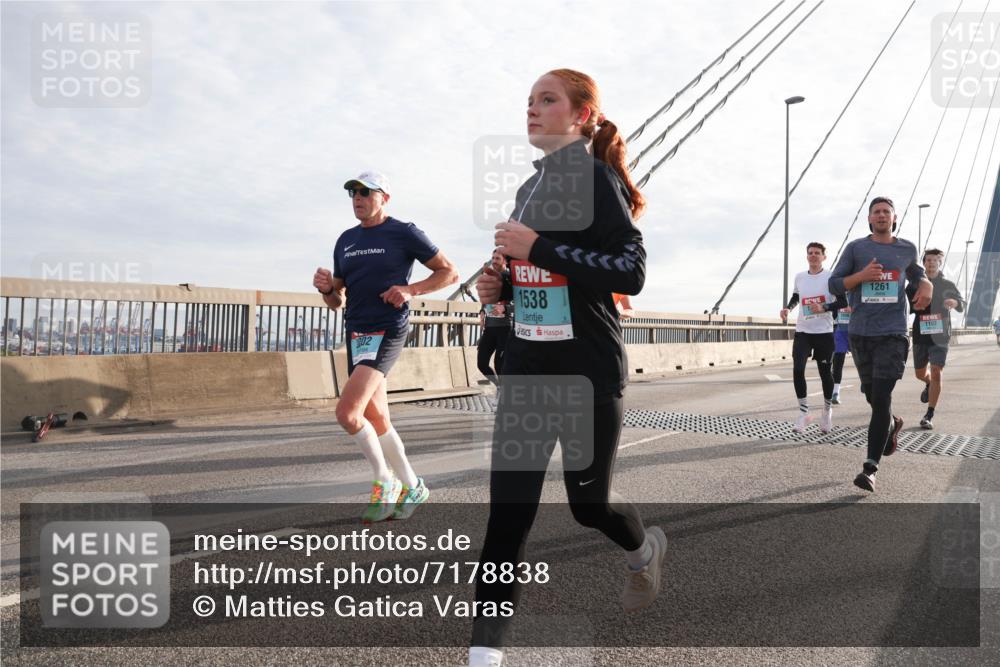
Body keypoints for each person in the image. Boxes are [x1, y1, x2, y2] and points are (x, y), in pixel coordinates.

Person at [469, 69, 663, 667]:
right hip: (528, 374)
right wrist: (496, 296)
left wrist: (540, 249)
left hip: (587, 373)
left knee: (589, 507)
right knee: (507, 521)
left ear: (581, 116)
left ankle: (643, 550)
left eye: (547, 100)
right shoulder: (528, 191)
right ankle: (483, 658)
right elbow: (524, 275)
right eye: (528, 101)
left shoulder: (594, 179)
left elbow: (629, 271)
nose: (532, 109)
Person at [313, 171, 458, 522]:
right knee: (376, 416)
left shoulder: (403, 232)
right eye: (352, 193)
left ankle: (384, 481)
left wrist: (410, 290)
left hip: (388, 328)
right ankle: (414, 485)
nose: (357, 198)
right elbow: (338, 300)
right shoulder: (345, 240)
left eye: (365, 192)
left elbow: (449, 273)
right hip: (357, 333)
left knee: (348, 413)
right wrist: (326, 290)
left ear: (384, 198)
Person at [829, 196, 931, 492]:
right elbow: (835, 285)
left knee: (882, 396)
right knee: (873, 395)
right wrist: (861, 276)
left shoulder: (907, 248)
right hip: (861, 333)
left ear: (894, 218)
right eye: (877, 212)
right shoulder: (857, 249)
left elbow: (917, 275)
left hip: (893, 333)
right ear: (870, 219)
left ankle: (870, 468)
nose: (882, 215)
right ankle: (892, 424)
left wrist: (928, 284)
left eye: (887, 211)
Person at [779, 242, 846, 433]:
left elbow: (843, 302)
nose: (813, 256)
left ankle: (826, 411)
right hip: (803, 331)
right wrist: (788, 308)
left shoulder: (831, 276)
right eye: (810, 253)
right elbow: (795, 297)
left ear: (824, 257)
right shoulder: (799, 277)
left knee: (825, 373)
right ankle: (803, 413)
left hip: (824, 332)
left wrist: (824, 307)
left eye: (817, 253)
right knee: (798, 368)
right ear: (807, 256)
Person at [906, 248, 964, 430]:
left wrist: (954, 303)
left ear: (939, 263)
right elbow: (912, 307)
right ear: (923, 263)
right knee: (920, 373)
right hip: (920, 334)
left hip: (940, 336)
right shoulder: (913, 285)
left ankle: (929, 414)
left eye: (934, 260)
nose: (931, 263)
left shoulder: (948, 284)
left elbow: (961, 305)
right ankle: (928, 382)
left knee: (937, 370)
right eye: (928, 260)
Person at [477, 250, 513, 386]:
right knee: (481, 364)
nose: (494, 260)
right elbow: (486, 298)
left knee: (500, 365)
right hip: (490, 328)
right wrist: (482, 311)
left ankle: (504, 391)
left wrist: (506, 308)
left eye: (497, 258)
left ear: (505, 261)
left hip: (505, 328)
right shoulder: (490, 277)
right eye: (493, 258)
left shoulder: (510, 277)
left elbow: (521, 301)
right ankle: (498, 385)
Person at [831, 305, 852, 404]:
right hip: (840, 330)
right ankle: (835, 392)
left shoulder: (859, 291)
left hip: (857, 329)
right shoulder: (836, 293)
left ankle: (869, 386)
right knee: (838, 363)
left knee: (863, 361)